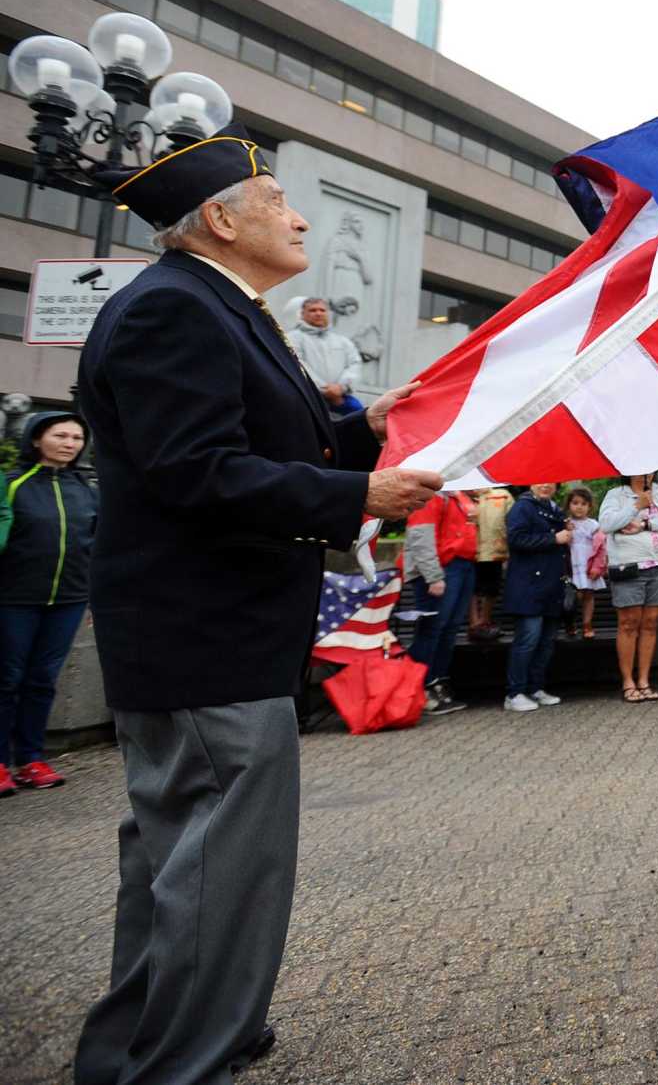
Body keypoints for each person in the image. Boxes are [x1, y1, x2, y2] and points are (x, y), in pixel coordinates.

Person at [70, 125, 440, 1084]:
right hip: (205, 637)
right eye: (277, 201)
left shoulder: (213, 305)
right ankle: (186, 1061)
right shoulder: (176, 310)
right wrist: (357, 496)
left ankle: (140, 1048)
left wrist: (363, 427)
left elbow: (268, 446)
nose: (299, 214)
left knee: (176, 863)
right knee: (218, 871)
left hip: (214, 636)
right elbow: (199, 471)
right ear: (221, 220)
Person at [0, 410, 98, 795]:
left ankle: (31, 760)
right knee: (6, 680)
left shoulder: (87, 490)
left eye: (76, 438)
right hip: (14, 599)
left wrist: (94, 600)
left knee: (42, 680)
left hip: (69, 600)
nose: (69, 444)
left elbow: (98, 546)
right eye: (60, 435)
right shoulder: (12, 484)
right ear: (37, 439)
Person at [600, 474, 658, 703]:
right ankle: (628, 681)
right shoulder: (616, 496)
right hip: (629, 566)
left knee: (651, 622)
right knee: (629, 622)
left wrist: (645, 524)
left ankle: (644, 679)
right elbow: (607, 524)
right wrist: (636, 506)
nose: (645, 473)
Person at [404, 488, 480, 714]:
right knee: (432, 629)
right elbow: (420, 536)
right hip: (443, 568)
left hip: (462, 565)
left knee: (448, 629)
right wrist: (433, 576)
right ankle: (421, 688)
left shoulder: (458, 496)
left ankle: (436, 682)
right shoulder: (431, 496)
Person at [502, 483, 570, 711]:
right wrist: (554, 538)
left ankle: (535, 688)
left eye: (551, 482)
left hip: (551, 586)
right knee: (528, 640)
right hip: (528, 585)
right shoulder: (523, 507)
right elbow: (516, 539)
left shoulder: (554, 509)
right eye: (540, 481)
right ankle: (515, 692)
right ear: (531, 483)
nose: (545, 486)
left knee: (546, 641)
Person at [282, 296, 362, 418]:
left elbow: (354, 364)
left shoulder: (343, 341)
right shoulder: (292, 338)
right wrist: (323, 389)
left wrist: (341, 387)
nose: (318, 313)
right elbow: (297, 363)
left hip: (340, 400)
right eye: (313, 310)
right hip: (306, 399)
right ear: (302, 314)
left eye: (322, 310)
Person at [468, 484, 513, 642]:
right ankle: (475, 624)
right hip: (468, 550)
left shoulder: (503, 495)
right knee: (472, 588)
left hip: (495, 551)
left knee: (491, 588)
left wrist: (509, 549)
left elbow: (511, 523)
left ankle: (484, 622)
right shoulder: (461, 496)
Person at [565, 487, 605, 639]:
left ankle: (587, 623)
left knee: (588, 594)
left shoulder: (593, 525)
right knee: (573, 595)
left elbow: (601, 548)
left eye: (583, 503)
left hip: (587, 565)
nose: (579, 507)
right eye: (575, 503)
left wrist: (597, 567)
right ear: (569, 505)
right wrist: (566, 530)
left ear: (589, 506)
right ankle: (571, 623)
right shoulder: (565, 523)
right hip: (571, 566)